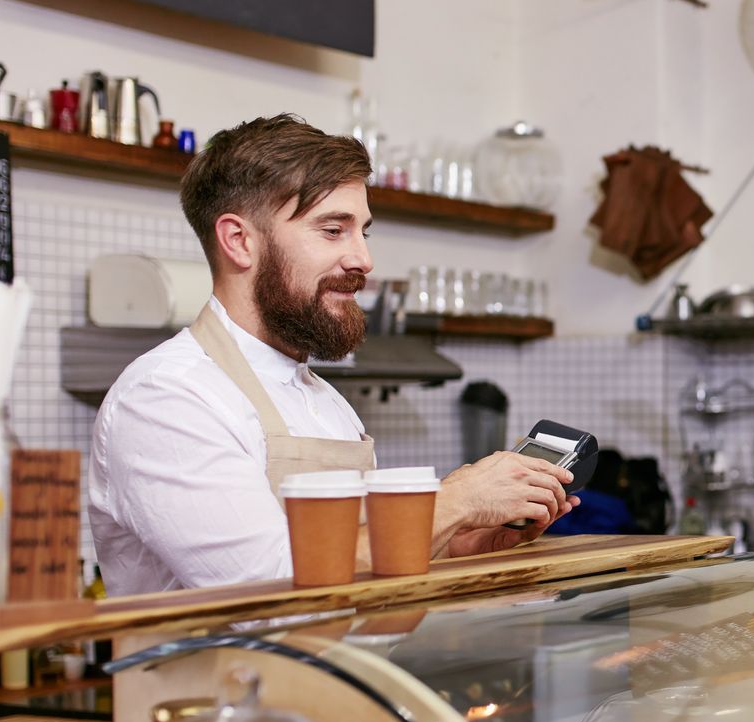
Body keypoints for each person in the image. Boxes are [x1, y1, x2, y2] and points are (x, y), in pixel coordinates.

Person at [89, 114, 575, 595]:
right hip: (221, 675)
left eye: (364, 231)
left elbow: (358, 559)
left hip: (336, 673)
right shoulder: (166, 397)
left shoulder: (325, 401)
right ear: (239, 241)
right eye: (332, 230)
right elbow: (269, 586)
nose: (363, 259)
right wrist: (454, 502)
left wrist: (456, 543)